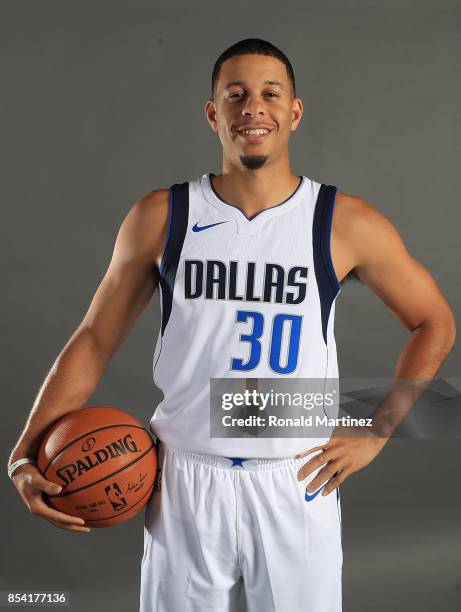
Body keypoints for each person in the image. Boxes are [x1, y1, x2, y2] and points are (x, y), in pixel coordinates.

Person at [8, 38, 456, 612]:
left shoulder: (343, 222)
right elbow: (94, 339)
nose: (253, 108)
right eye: (236, 95)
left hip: (297, 478)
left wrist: (378, 428)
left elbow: (434, 322)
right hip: (182, 479)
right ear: (212, 112)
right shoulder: (162, 216)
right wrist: (24, 453)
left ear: (294, 112)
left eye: (270, 93)